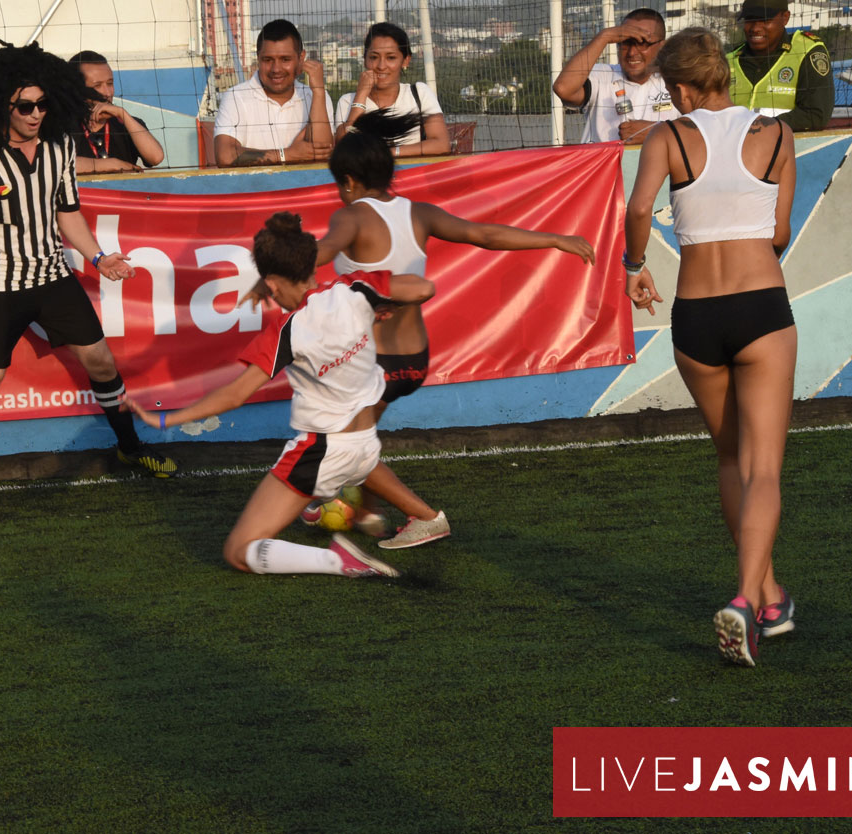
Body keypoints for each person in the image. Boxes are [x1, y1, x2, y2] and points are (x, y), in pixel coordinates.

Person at [296, 109, 594, 548]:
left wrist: (279, 260)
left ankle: (425, 517)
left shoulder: (352, 215)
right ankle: (358, 505)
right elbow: (484, 235)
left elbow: (321, 254)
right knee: (353, 438)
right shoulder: (419, 212)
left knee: (343, 448)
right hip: (412, 362)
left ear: (348, 182)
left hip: (371, 366)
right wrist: (553, 238)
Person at [0, 41, 177, 502]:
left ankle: (131, 448)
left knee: (101, 361)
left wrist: (99, 259)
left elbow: (68, 216)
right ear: (3, 106)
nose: (36, 114)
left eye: (42, 104)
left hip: (55, 279)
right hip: (1, 286)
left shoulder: (58, 151)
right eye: (25, 106)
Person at [124, 212, 445, 578]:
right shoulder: (356, 290)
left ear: (272, 285)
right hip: (366, 442)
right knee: (356, 464)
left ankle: (337, 561)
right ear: (311, 265)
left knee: (238, 552)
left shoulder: (286, 331)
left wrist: (163, 418)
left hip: (322, 451)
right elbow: (423, 288)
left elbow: (234, 395)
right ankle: (423, 515)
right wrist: (386, 305)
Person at [625, 28, 797, 667]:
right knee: (764, 468)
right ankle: (748, 600)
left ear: (680, 87)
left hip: (695, 320)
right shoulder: (777, 134)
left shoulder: (668, 137)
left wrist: (633, 266)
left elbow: (639, 208)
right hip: (761, 308)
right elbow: (778, 230)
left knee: (730, 460)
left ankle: (770, 592)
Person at [213, 19, 334, 167]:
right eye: (268, 60)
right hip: (256, 189)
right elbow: (225, 156)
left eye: (285, 59)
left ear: (301, 58)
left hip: (302, 189)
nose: (276, 69)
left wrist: (319, 92)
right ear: (258, 58)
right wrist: (287, 154)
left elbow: (321, 155)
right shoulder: (235, 97)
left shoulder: (317, 97)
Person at [552, 8, 679, 144]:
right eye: (625, 42)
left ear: (662, 46)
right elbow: (563, 89)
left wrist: (655, 131)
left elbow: (699, 128)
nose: (631, 52)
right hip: (603, 165)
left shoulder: (678, 81)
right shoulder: (602, 75)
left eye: (642, 43)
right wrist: (605, 36)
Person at [333, 22, 449, 158]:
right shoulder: (348, 101)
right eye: (374, 57)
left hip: (413, 176)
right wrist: (361, 95)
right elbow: (345, 147)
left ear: (405, 60)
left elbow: (441, 144)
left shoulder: (419, 93)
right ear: (364, 59)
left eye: (391, 58)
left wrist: (389, 153)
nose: (382, 66)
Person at [727, 0, 833, 132]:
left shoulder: (807, 51)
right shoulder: (728, 61)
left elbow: (816, 116)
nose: (755, 28)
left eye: (765, 20)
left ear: (785, 18)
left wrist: (761, 127)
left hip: (788, 148)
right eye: (750, 19)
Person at [69, 51, 165, 174]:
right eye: (97, 86)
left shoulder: (125, 123)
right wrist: (113, 164)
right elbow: (57, 164)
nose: (107, 93)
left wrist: (122, 114)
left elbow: (156, 158)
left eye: (110, 83)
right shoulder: (63, 125)